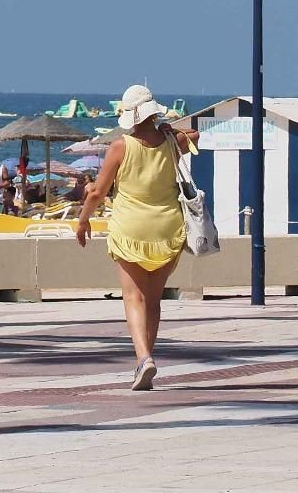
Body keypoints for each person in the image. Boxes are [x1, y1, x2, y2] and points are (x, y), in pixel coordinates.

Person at [75, 85, 197, 391]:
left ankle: (144, 358)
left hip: (130, 228)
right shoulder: (173, 140)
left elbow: (97, 192)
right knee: (153, 300)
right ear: (153, 112)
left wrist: (83, 220)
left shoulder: (120, 146)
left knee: (133, 297)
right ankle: (146, 358)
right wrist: (170, 127)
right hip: (168, 228)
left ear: (129, 115)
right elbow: (195, 135)